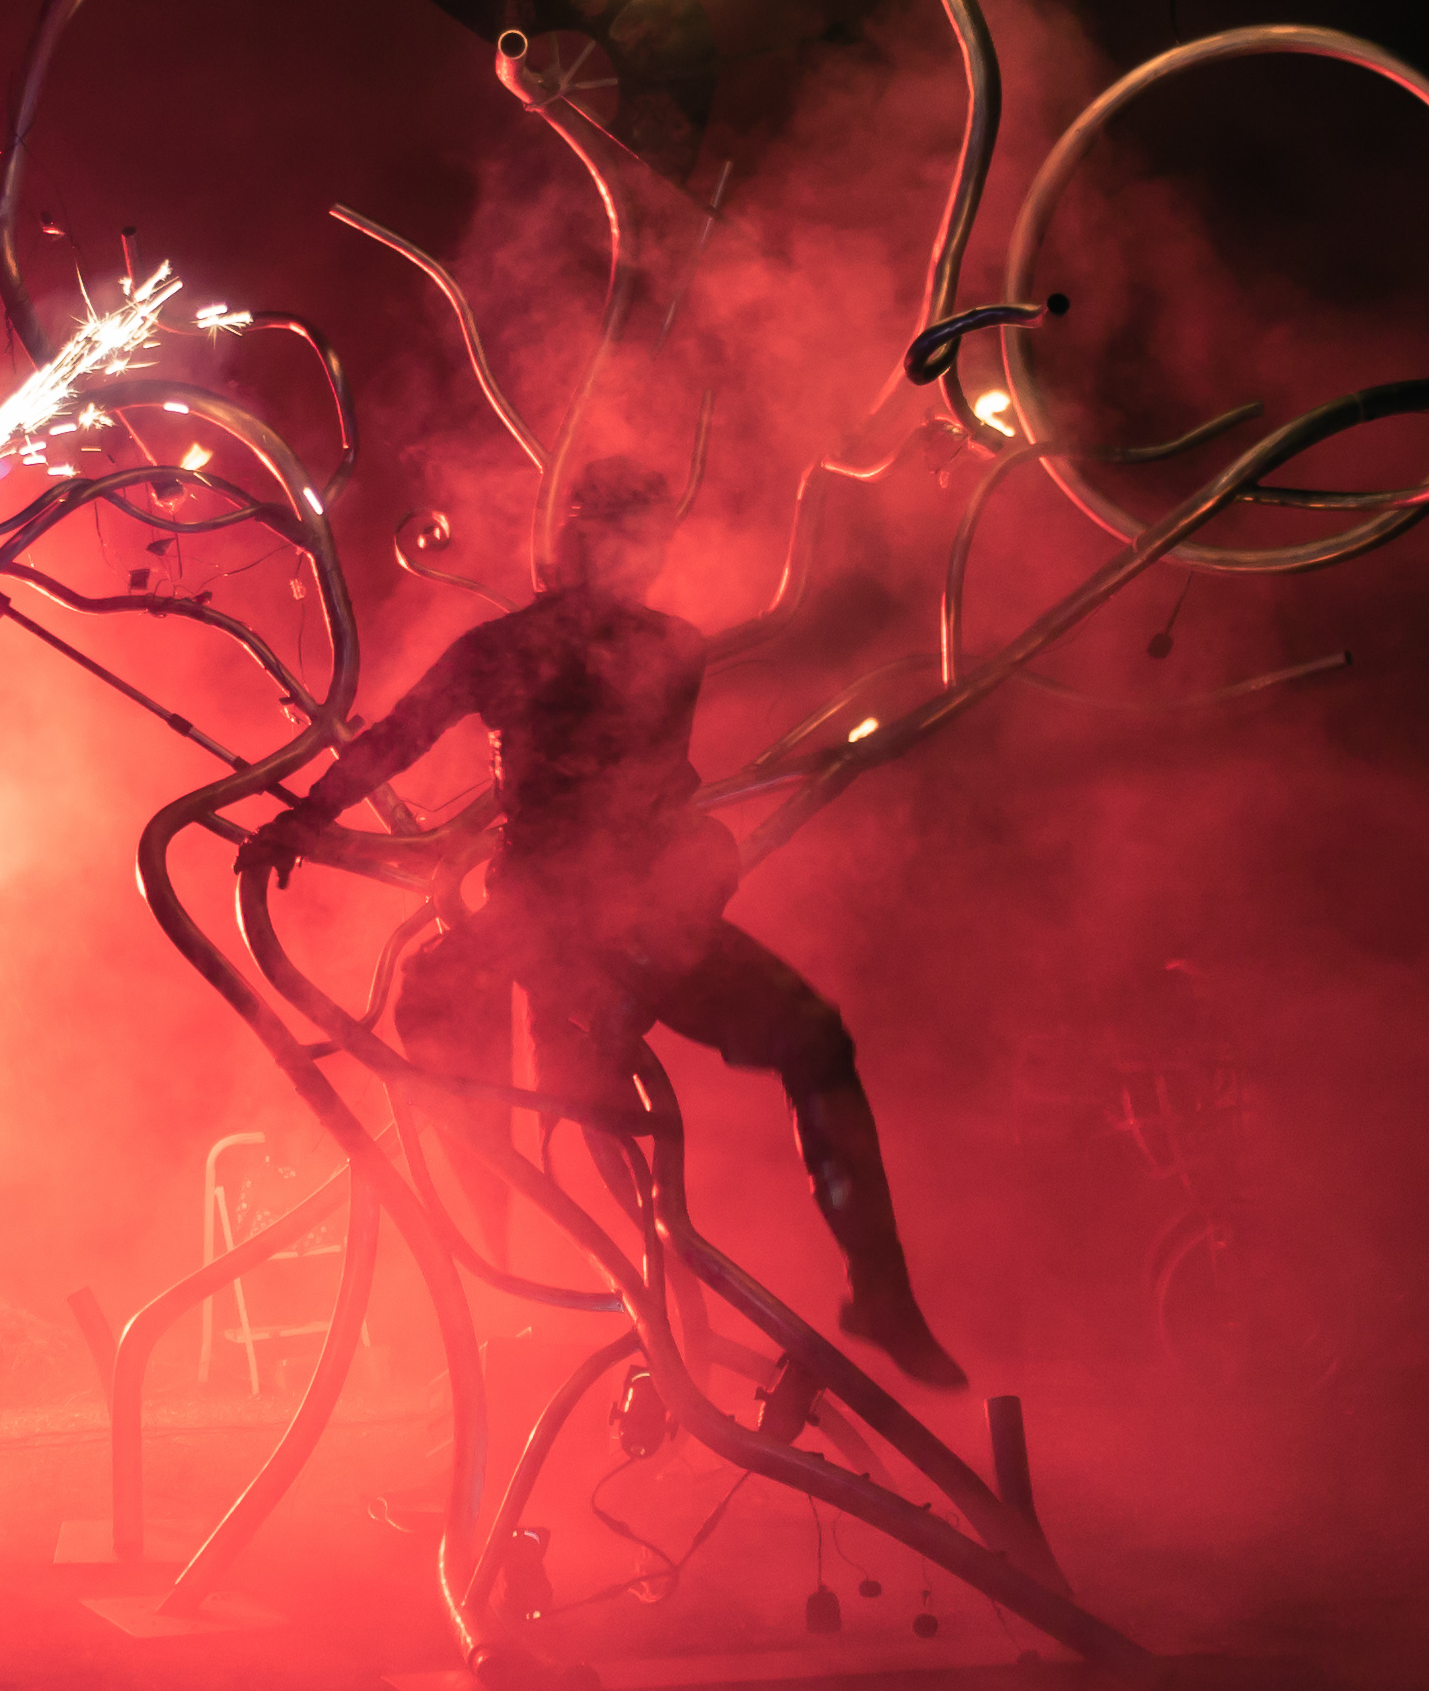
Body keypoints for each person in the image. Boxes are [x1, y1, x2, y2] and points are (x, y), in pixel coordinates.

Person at [264, 458, 971, 1391]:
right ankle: (502, 1239)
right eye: (630, 540)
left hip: (648, 915)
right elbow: (398, 736)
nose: (648, 561)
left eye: (656, 542)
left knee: (813, 1041)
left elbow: (642, 791)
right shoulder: (504, 650)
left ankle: (876, 1286)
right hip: (550, 915)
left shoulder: (669, 646)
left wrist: (676, 891)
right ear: (580, 541)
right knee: (451, 1006)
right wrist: (308, 815)